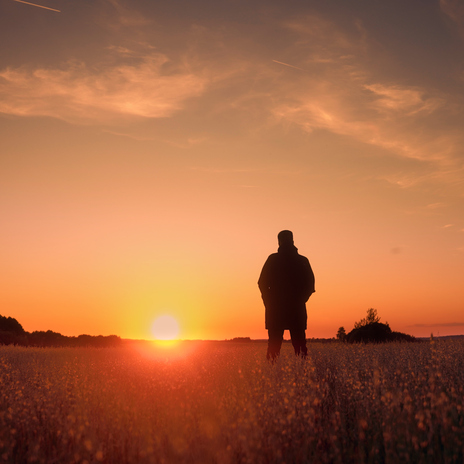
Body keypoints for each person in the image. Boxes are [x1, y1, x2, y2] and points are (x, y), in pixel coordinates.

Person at [258, 230, 315, 360]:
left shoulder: (272, 259)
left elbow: (261, 283)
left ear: (279, 242)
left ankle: (271, 377)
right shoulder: (302, 260)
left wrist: (268, 302)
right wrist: (300, 300)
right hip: (296, 310)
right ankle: (303, 375)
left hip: (275, 310)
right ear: (293, 241)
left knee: (273, 347)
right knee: (300, 347)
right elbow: (310, 285)